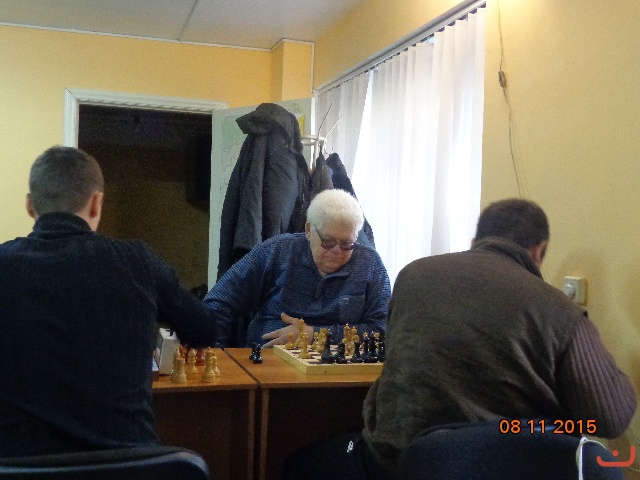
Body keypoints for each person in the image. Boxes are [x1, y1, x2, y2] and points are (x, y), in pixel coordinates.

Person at [282, 198, 636, 480]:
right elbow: (611, 419)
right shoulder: (559, 310)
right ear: (539, 252)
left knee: (298, 464)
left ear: (474, 242)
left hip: (395, 464)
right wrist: (556, 424)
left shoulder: (414, 275)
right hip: (504, 469)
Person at [0, 146, 217, 457]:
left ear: (30, 205)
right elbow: (205, 330)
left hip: (18, 468)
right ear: (96, 202)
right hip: (131, 467)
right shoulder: (138, 261)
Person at [204, 188, 391, 348]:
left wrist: (315, 334)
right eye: (328, 241)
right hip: (267, 362)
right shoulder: (276, 251)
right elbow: (217, 302)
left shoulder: (371, 264)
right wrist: (218, 355)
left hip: (338, 368)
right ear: (309, 230)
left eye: (347, 244)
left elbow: (383, 329)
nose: (337, 250)